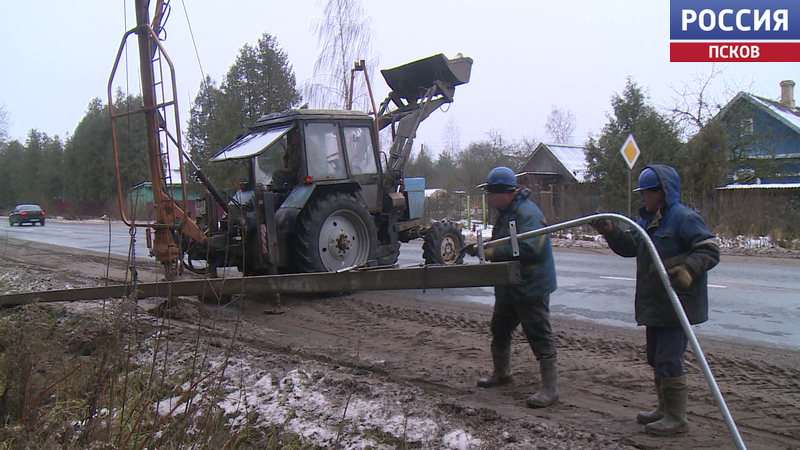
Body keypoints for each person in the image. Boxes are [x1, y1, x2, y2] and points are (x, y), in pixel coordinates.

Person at [590, 164, 720, 436]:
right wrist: (611, 231)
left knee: (669, 358)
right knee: (655, 358)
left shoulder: (684, 218)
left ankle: (677, 418)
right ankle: (663, 409)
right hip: (656, 303)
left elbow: (709, 249)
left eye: (647, 192)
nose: (642, 198)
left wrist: (688, 270)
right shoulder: (647, 221)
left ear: (663, 192)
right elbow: (630, 247)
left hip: (678, 303)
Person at [464, 166, 559, 408]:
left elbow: (530, 249)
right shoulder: (506, 213)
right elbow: (505, 241)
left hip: (530, 286)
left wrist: (493, 251)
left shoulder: (529, 214)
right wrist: (485, 246)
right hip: (509, 285)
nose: (490, 199)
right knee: (500, 329)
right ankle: (502, 373)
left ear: (505, 192)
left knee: (539, 336)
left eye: (492, 194)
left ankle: (550, 390)